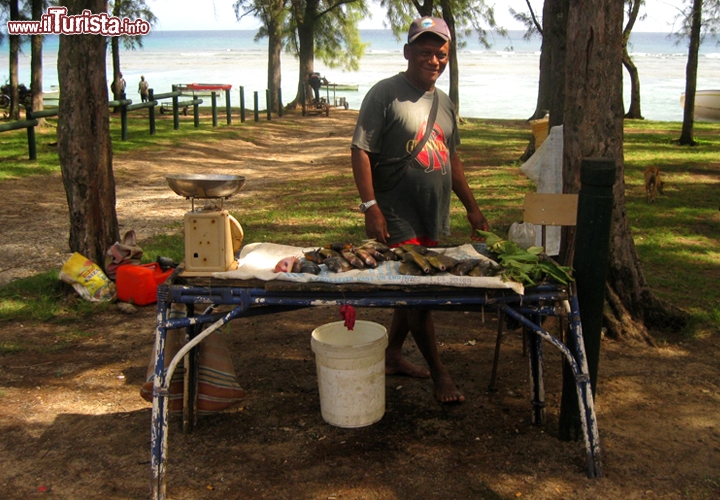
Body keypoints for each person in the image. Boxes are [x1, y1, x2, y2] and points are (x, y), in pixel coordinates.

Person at [350, 16, 489, 404]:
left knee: (410, 288)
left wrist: (473, 210)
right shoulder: (384, 94)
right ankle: (440, 375)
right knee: (420, 294)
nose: (433, 60)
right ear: (408, 52)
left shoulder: (444, 103)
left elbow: (452, 158)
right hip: (395, 212)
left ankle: (392, 354)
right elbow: (361, 149)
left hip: (431, 213)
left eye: (440, 54)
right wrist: (371, 206)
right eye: (425, 52)